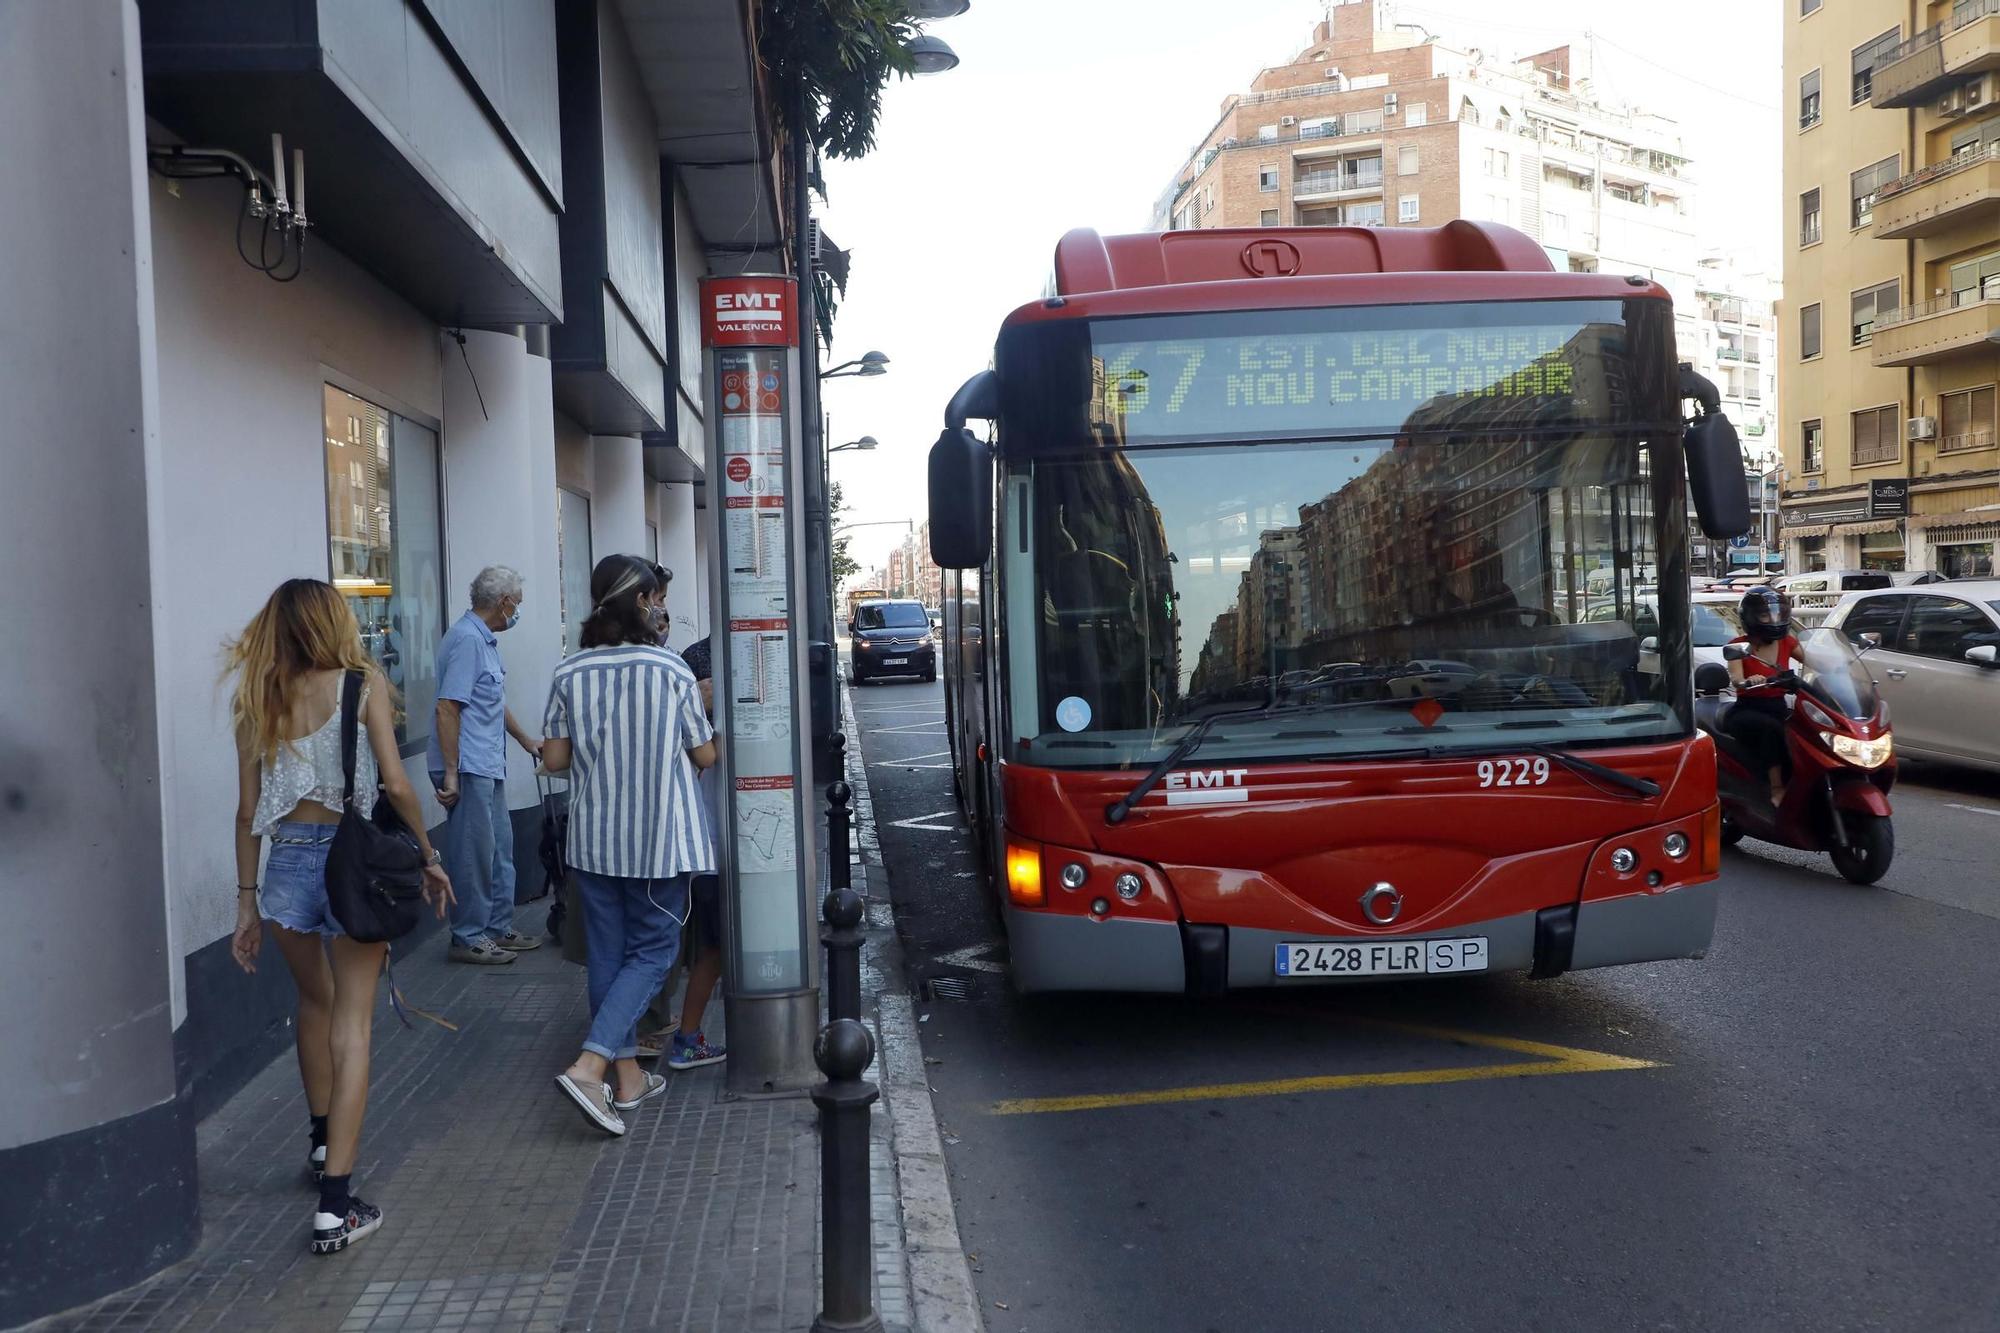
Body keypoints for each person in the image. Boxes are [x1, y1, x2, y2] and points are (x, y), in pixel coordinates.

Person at [224, 579, 453, 1255]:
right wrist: (427, 852)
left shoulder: (255, 699)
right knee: (353, 1022)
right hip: (353, 862)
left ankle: (321, 1140)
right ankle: (335, 1204)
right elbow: (398, 783)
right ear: (333, 621)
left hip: (287, 864)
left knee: (313, 1002)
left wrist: (245, 903)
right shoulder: (362, 683)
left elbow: (246, 812)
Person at [543, 555, 717, 1135]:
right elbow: (706, 755)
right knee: (653, 954)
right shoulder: (671, 672)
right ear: (643, 602)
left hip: (593, 842)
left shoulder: (569, 672)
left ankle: (629, 1080)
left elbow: (555, 759)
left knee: (607, 958)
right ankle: (591, 1067)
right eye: (656, 598)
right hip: (659, 842)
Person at [429, 565, 544, 965]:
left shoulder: (483, 642)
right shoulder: (466, 641)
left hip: (486, 763)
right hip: (468, 766)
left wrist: (526, 740)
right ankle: (467, 937)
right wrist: (450, 772)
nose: (517, 612)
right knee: (473, 855)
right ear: (504, 602)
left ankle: (495, 928)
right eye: (517, 604)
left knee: (499, 852)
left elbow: (490, 704)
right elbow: (448, 707)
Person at [665, 634, 726, 1071]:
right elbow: (705, 758)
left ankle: (683, 1033)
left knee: (711, 948)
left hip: (711, 847)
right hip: (707, 848)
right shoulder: (700, 741)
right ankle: (684, 1036)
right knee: (710, 948)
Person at [1726, 585, 1800, 806]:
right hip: (1748, 708)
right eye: (1765, 615)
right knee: (1772, 730)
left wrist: (1837, 668)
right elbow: (1735, 678)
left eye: (1777, 613)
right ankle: (1777, 789)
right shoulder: (1738, 646)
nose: (1772, 619)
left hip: (1778, 706)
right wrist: (1748, 681)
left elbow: (1815, 660)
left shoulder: (1787, 642)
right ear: (1751, 618)